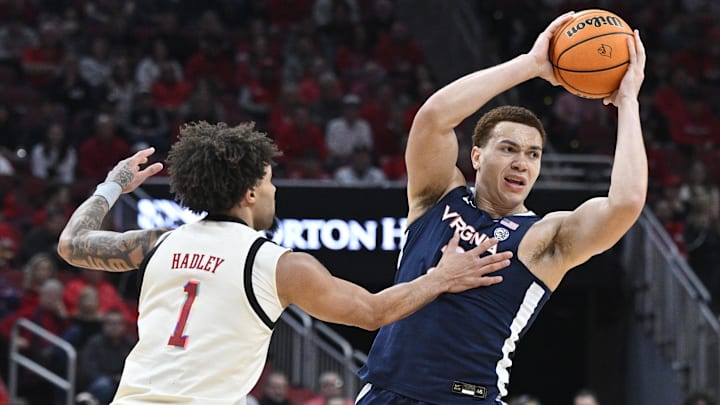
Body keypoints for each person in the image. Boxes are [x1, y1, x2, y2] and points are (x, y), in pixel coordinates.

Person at [56, 121, 513, 404]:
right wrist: (441, 277)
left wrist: (112, 185)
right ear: (251, 193)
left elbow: (72, 243)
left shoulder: (156, 243)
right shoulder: (276, 264)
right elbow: (373, 312)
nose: (276, 191)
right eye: (270, 182)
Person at [357, 11, 647, 405]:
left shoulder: (545, 239)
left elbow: (626, 202)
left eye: (533, 154)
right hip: (386, 393)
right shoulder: (438, 195)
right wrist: (530, 65)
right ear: (476, 156)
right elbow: (433, 118)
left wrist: (627, 102)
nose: (521, 163)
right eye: (508, 149)